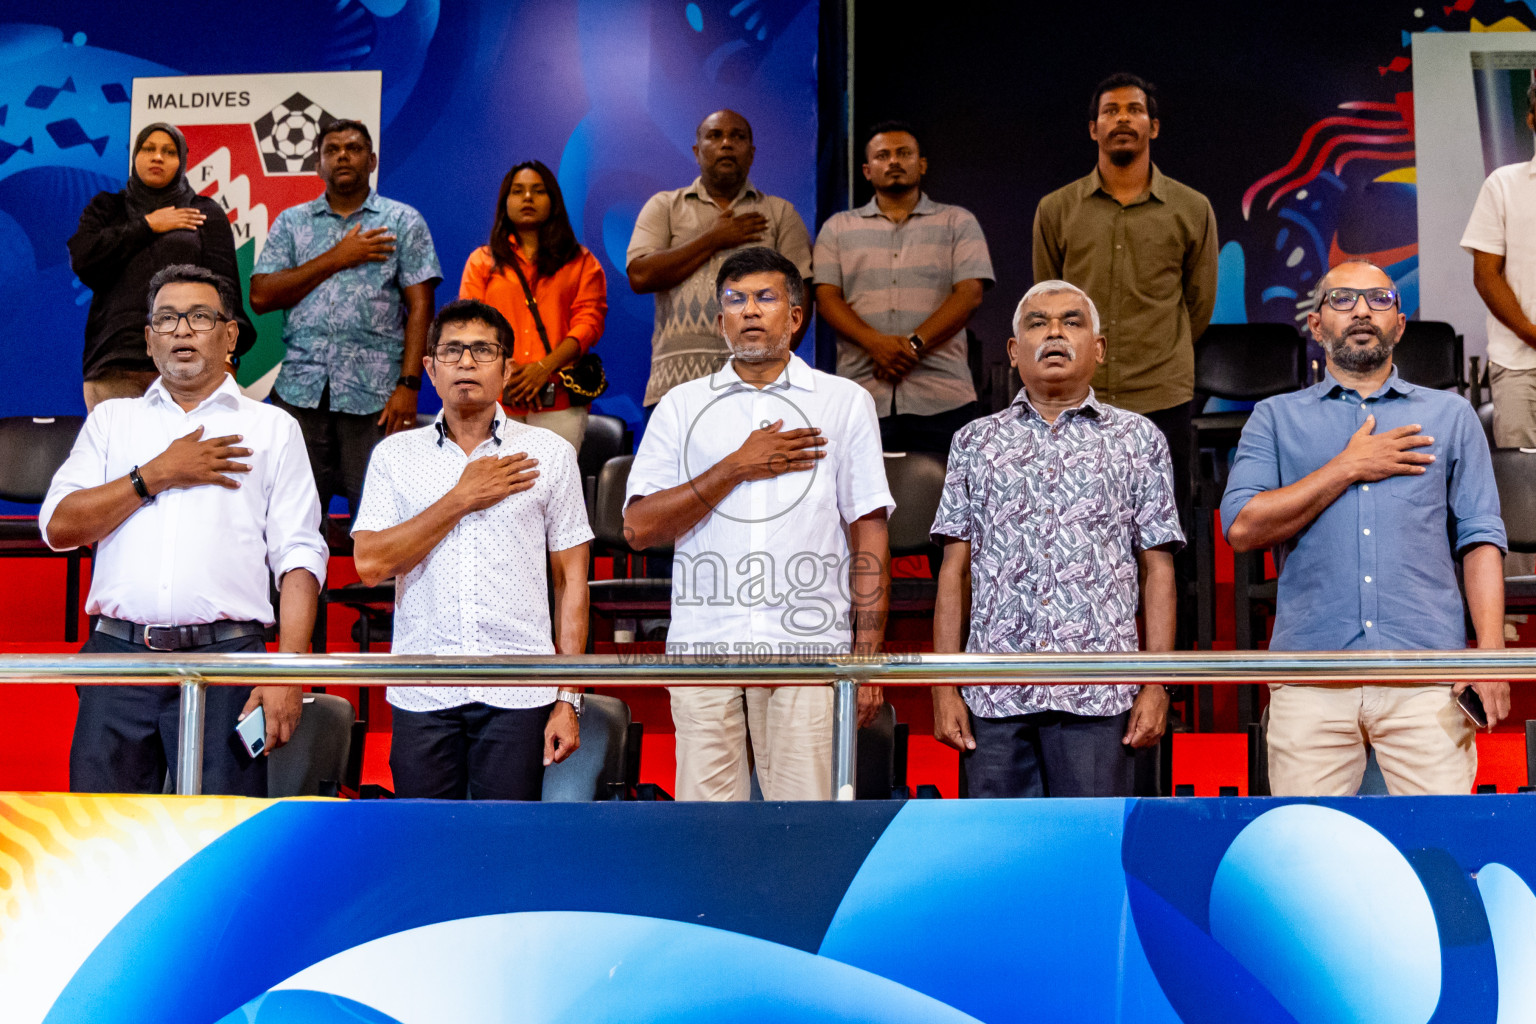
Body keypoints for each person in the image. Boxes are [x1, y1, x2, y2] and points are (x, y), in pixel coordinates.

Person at [1221, 261, 1508, 796]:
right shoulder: (1275, 417)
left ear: (1399, 325)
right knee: (1307, 866)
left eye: (1379, 300)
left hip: (1425, 678)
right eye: (1344, 299)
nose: (1361, 311)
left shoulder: (1450, 415)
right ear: (1316, 324)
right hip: (1311, 677)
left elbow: (1481, 538)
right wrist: (1348, 467)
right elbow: (1241, 526)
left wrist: (1489, 656)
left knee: (1437, 857)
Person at [39, 264, 326, 795]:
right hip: (119, 663)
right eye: (167, 319)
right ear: (149, 340)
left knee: (220, 842)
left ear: (230, 334)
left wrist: (288, 669)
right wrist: (158, 473)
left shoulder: (271, 428)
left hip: (228, 665)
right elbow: (59, 527)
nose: (182, 330)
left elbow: (300, 557)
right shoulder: (113, 422)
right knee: (104, 841)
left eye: (199, 316)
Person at [624, 247, 893, 801]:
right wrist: (736, 466)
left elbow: (868, 531)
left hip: (809, 645)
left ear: (795, 317)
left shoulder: (844, 403)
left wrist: (864, 657)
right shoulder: (681, 405)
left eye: (765, 298)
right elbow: (639, 527)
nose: (749, 311)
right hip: (705, 646)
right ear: (720, 319)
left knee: (802, 826)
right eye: (735, 300)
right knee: (705, 831)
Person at [930, 281, 1182, 797]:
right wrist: (943, 686)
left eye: (1072, 321)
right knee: (1001, 867)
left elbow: (1158, 568)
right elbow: (954, 569)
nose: (1055, 333)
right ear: (1013, 349)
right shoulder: (975, 441)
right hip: (994, 696)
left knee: (1089, 861)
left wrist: (1156, 683)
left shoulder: (1138, 439)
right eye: (1038, 322)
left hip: (1098, 696)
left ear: (1100, 348)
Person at [351, 299, 590, 800]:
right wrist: (461, 498)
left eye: (482, 350)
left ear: (507, 366)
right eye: (452, 350)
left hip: (519, 690)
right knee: (427, 850)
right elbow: (370, 563)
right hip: (423, 689)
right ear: (429, 368)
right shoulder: (395, 455)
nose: (465, 362)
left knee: (505, 851)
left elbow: (571, 582)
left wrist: (569, 695)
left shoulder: (550, 454)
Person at [1032, 73, 1218, 519]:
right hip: (1078, 393)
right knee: (1076, 525)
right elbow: (1046, 301)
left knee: (1162, 533)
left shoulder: (1192, 208)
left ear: (1153, 126)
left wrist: (1159, 348)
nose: (1122, 119)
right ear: (1093, 128)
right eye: (1110, 111)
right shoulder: (1056, 209)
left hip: (1160, 394)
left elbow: (1199, 304)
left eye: (1134, 110)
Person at [250, 118, 441, 517]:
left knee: (381, 518)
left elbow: (421, 307)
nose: (342, 155)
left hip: (375, 397)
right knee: (293, 518)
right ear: (318, 164)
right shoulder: (292, 222)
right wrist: (337, 257)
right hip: (300, 391)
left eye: (353, 148)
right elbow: (262, 296)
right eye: (331, 149)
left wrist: (409, 384)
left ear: (371, 160)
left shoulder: (403, 221)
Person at [813, 120, 994, 455]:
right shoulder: (837, 228)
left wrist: (910, 347)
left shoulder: (958, 222)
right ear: (867, 170)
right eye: (883, 156)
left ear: (921, 164)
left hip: (943, 398)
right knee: (859, 507)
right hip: (861, 397)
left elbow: (969, 295)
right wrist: (876, 345)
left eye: (903, 153)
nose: (893, 161)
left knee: (946, 503)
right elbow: (825, 299)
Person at [627, 109, 813, 410]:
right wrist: (712, 239)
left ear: (751, 154)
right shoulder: (665, 207)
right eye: (715, 136)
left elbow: (801, 293)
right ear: (697, 151)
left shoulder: (780, 213)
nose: (726, 143)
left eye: (737, 137)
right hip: (676, 386)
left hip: (759, 387)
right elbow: (640, 276)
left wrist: (770, 364)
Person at [69, 122, 255, 409]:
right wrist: (148, 225)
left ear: (181, 161)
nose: (157, 157)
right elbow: (84, 260)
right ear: (136, 157)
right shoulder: (108, 208)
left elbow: (225, 288)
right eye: (149, 149)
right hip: (116, 363)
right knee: (121, 455)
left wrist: (228, 355)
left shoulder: (204, 212)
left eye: (169, 151)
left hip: (189, 361)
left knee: (194, 453)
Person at [460, 160, 607, 453]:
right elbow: (470, 326)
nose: (528, 198)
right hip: (495, 396)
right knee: (494, 491)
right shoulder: (482, 261)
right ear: (505, 202)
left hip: (559, 400)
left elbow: (589, 322)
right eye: (518, 191)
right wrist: (507, 369)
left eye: (538, 191)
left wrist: (543, 368)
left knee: (551, 490)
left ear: (553, 202)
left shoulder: (581, 261)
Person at [1461, 82, 1536, 606]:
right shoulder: (1505, 184)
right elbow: (1487, 276)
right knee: (1520, 487)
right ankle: (1516, 606)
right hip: (1520, 363)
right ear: (1531, 118)